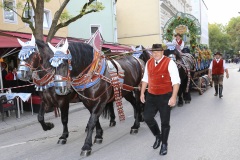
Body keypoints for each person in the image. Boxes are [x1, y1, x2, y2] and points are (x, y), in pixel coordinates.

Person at [140, 44, 180, 155]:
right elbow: (145, 79)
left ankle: (164, 144)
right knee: (147, 117)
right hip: (151, 95)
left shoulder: (169, 63)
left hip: (165, 96)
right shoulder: (149, 62)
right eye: (154, 52)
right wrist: (142, 92)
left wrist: (173, 97)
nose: (156, 54)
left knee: (165, 122)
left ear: (162, 52)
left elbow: (176, 81)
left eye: (158, 51)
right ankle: (158, 136)